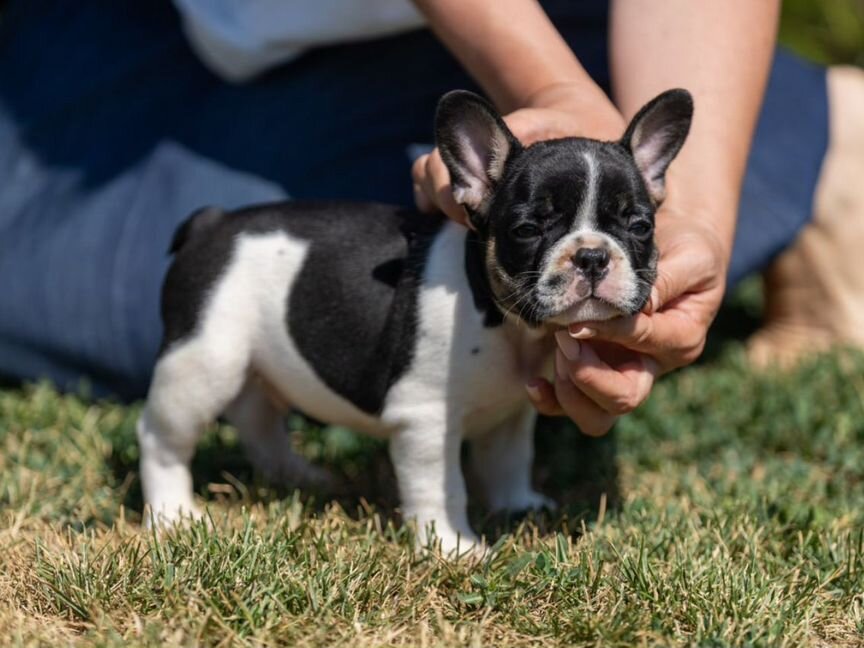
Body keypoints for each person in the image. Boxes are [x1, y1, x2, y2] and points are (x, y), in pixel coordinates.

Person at [0, 1, 861, 438]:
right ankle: (803, 126)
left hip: (565, 26)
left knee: (389, 304)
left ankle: (804, 136)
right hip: (204, 32)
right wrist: (549, 94)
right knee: (71, 296)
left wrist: (697, 214)